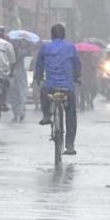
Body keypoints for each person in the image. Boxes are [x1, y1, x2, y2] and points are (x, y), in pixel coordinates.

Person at [35, 23, 81, 155]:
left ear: (51, 35)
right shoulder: (71, 47)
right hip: (67, 87)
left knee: (43, 93)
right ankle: (70, 145)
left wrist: (38, 78)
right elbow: (77, 65)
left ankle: (46, 115)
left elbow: (39, 65)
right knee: (71, 114)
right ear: (64, 35)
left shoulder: (45, 47)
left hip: (50, 86)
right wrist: (77, 77)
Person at [9, 39, 31, 122]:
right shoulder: (22, 52)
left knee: (15, 95)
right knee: (20, 94)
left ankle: (17, 114)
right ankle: (20, 112)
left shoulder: (13, 52)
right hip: (20, 74)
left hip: (14, 74)